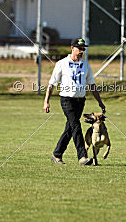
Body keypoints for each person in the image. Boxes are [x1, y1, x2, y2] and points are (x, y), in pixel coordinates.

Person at [43, 38, 106, 166]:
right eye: (79, 48)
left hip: (80, 101)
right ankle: (82, 156)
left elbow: (92, 85)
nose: (81, 51)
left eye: (83, 49)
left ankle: (57, 154)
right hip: (67, 100)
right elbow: (51, 83)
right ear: (72, 48)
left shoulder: (86, 65)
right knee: (76, 126)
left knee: (70, 128)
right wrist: (46, 101)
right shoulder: (62, 63)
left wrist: (100, 101)